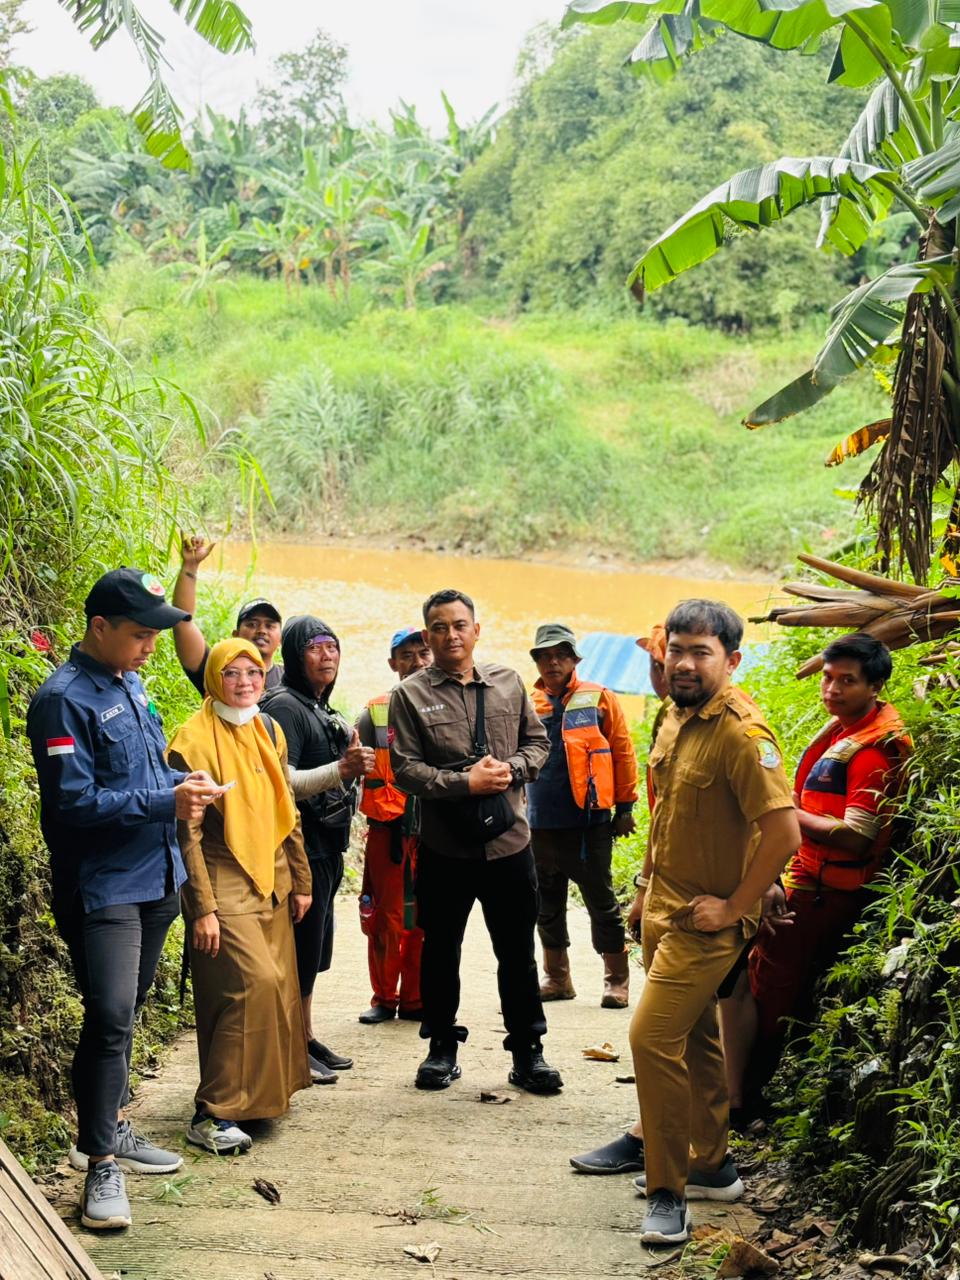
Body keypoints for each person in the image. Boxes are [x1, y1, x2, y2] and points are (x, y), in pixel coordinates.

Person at [26, 568, 219, 1231]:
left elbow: (139, 771)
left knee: (127, 1011)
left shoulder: (129, 682)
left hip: (157, 877)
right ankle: (99, 1161)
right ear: (100, 628)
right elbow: (73, 803)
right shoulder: (62, 700)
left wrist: (178, 781)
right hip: (103, 885)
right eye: (140, 636)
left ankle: (108, 1123)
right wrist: (167, 802)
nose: (151, 648)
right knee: (109, 1014)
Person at [624, 599, 800, 1246]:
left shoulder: (742, 735)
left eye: (702, 652)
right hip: (664, 908)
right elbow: (666, 809)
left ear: (732, 660)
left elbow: (783, 834)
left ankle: (667, 1192)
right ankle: (712, 1164)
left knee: (650, 1038)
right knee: (694, 1037)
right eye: (677, 649)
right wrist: (644, 888)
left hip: (707, 922)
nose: (685, 663)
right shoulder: (675, 715)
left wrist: (733, 906)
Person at [389, 588, 562, 1095]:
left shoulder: (508, 682)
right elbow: (405, 769)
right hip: (446, 849)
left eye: (459, 625)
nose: (451, 635)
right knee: (441, 950)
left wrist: (511, 770)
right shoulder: (409, 696)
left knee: (517, 952)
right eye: (439, 627)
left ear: (476, 630)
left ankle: (528, 1052)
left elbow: (538, 742)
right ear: (428, 636)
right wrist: (465, 783)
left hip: (510, 845)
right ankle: (441, 1048)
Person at [744, 635, 910, 1110]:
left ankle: (745, 1098)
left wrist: (784, 813)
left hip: (823, 893)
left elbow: (857, 836)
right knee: (765, 979)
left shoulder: (872, 751)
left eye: (847, 681)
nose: (832, 690)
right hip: (805, 878)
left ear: (875, 686)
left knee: (771, 989)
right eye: (827, 678)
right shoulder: (845, 730)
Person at [167, 639, 314, 1154]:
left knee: (279, 987)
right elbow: (186, 834)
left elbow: (286, 809)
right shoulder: (192, 741)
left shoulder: (267, 728)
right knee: (247, 986)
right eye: (232, 673)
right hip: (222, 876)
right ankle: (213, 1111)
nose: (245, 682)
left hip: (272, 877)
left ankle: (261, 1100)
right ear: (214, 678)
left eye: (254, 671)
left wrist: (301, 880)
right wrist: (202, 908)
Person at [262, 616, 374, 1082]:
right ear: (294, 655)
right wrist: (342, 769)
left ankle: (304, 1035)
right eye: (314, 647)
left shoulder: (317, 705)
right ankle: (290, 1045)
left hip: (327, 848)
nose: (327, 655)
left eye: (332, 646)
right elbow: (279, 783)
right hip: (299, 852)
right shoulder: (284, 706)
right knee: (297, 951)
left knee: (313, 952)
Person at [526, 623, 638, 1008]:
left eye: (561, 655)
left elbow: (622, 752)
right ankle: (557, 978)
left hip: (588, 824)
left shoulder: (599, 698)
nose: (553, 663)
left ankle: (616, 980)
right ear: (536, 661)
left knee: (601, 902)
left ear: (574, 660)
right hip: (538, 824)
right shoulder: (527, 702)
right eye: (545, 656)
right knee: (545, 904)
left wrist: (625, 807)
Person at [355, 626, 431, 1024]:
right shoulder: (374, 712)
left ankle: (416, 999)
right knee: (384, 917)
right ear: (393, 663)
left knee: (425, 918)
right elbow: (348, 765)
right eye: (407, 655)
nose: (417, 662)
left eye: (423, 653)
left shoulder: (452, 706)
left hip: (434, 834)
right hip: (387, 832)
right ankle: (384, 998)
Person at [172, 535, 284, 696]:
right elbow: (183, 622)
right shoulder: (217, 670)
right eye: (252, 624)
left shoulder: (291, 680)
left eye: (269, 625)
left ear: (281, 639)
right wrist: (190, 566)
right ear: (235, 635)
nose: (261, 630)